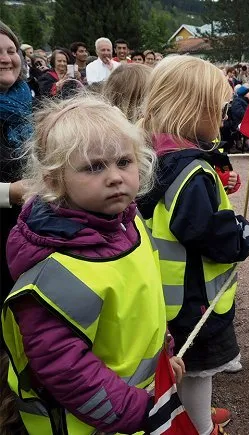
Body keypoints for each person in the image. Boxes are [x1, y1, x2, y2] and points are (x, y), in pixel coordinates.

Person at [0, 95, 185, 434]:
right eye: (94, 166)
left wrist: (164, 354)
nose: (115, 177)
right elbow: (65, 368)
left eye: (124, 161)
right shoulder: (53, 270)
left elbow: (142, 307)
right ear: (55, 180)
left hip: (134, 407)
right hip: (92, 421)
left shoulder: (130, 224)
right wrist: (135, 410)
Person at [138, 56, 249, 435]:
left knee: (173, 366)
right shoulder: (192, 170)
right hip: (195, 299)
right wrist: (243, 233)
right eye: (219, 108)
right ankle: (202, 428)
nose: (225, 117)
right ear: (193, 109)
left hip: (163, 293)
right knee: (197, 369)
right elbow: (210, 235)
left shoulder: (151, 158)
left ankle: (187, 418)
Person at [0, 21, 31, 309]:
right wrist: (8, 192)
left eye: (11, 50)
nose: (5, 58)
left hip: (23, 235)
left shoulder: (26, 102)